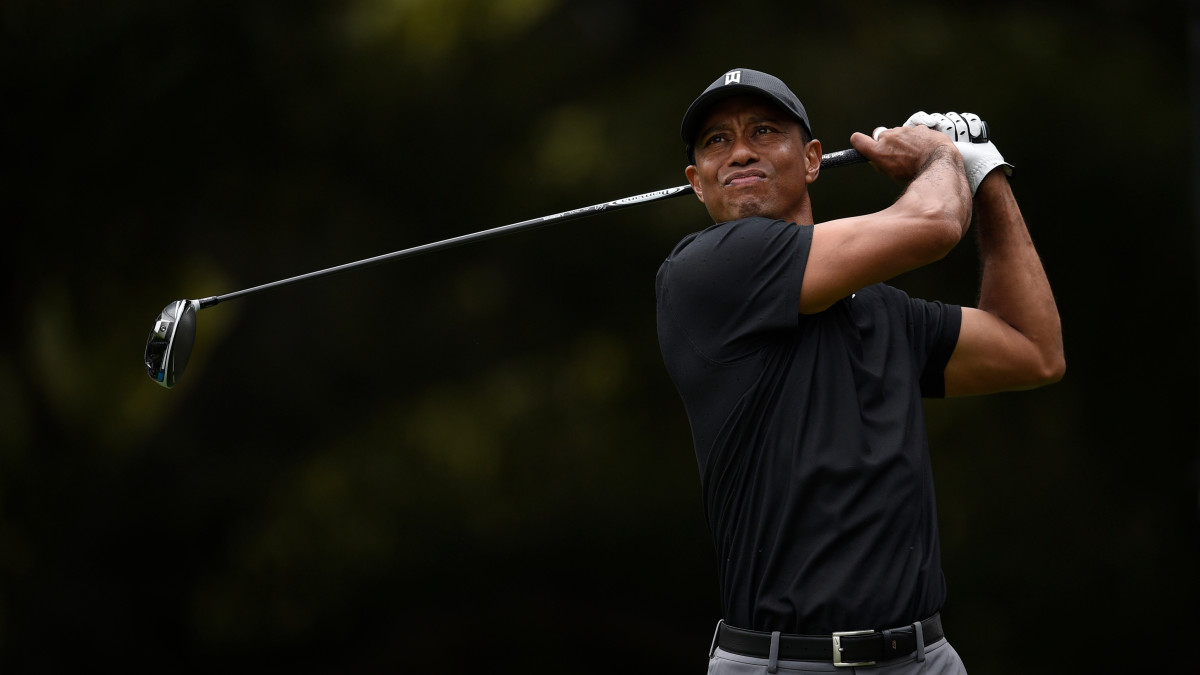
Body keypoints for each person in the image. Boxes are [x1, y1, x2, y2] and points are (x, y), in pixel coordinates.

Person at [655, 68, 1064, 674]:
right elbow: (934, 225)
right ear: (696, 182)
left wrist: (986, 174)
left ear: (812, 160)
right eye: (717, 140)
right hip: (783, 664)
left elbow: (1033, 349)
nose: (739, 151)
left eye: (763, 131)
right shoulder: (704, 273)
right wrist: (942, 156)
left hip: (924, 658)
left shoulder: (884, 312)